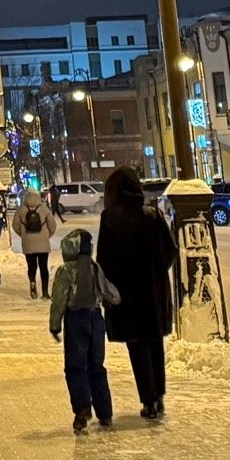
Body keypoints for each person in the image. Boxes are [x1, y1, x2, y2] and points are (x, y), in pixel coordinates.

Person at [96, 167, 180, 418]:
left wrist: (110, 287)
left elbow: (104, 259)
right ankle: (159, 396)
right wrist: (156, 271)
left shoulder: (110, 218)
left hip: (126, 294)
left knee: (137, 346)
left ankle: (148, 400)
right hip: (153, 292)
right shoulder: (152, 215)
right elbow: (170, 250)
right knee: (155, 343)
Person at [46, 228, 115, 433]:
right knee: (97, 366)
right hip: (96, 319)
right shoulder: (94, 268)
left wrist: (55, 325)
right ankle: (105, 412)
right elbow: (109, 292)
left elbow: (58, 300)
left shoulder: (66, 271)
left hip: (76, 320)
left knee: (75, 366)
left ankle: (82, 409)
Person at [15, 187, 58, 296]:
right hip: (43, 244)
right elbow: (52, 226)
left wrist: (24, 235)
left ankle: (33, 283)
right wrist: (46, 236)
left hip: (28, 244)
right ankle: (45, 292)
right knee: (43, 267)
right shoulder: (44, 209)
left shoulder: (21, 209)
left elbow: (15, 225)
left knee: (31, 266)